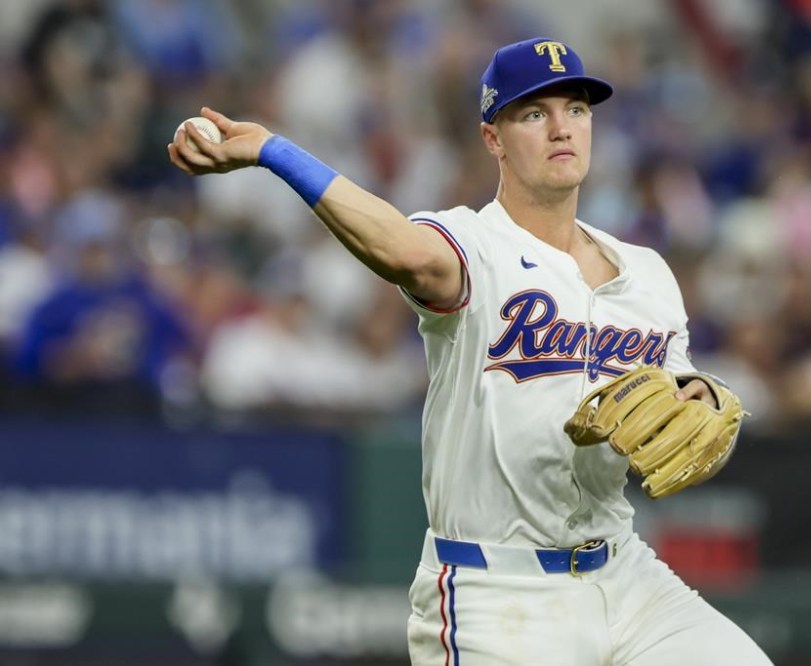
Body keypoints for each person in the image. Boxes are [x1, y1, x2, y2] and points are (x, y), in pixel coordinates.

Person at [169, 36, 771, 666]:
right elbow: (403, 251)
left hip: (625, 573)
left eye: (577, 109)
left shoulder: (646, 272)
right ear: (493, 139)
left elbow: (684, 399)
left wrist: (703, 393)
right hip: (497, 593)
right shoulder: (474, 243)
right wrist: (275, 150)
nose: (562, 127)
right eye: (535, 114)